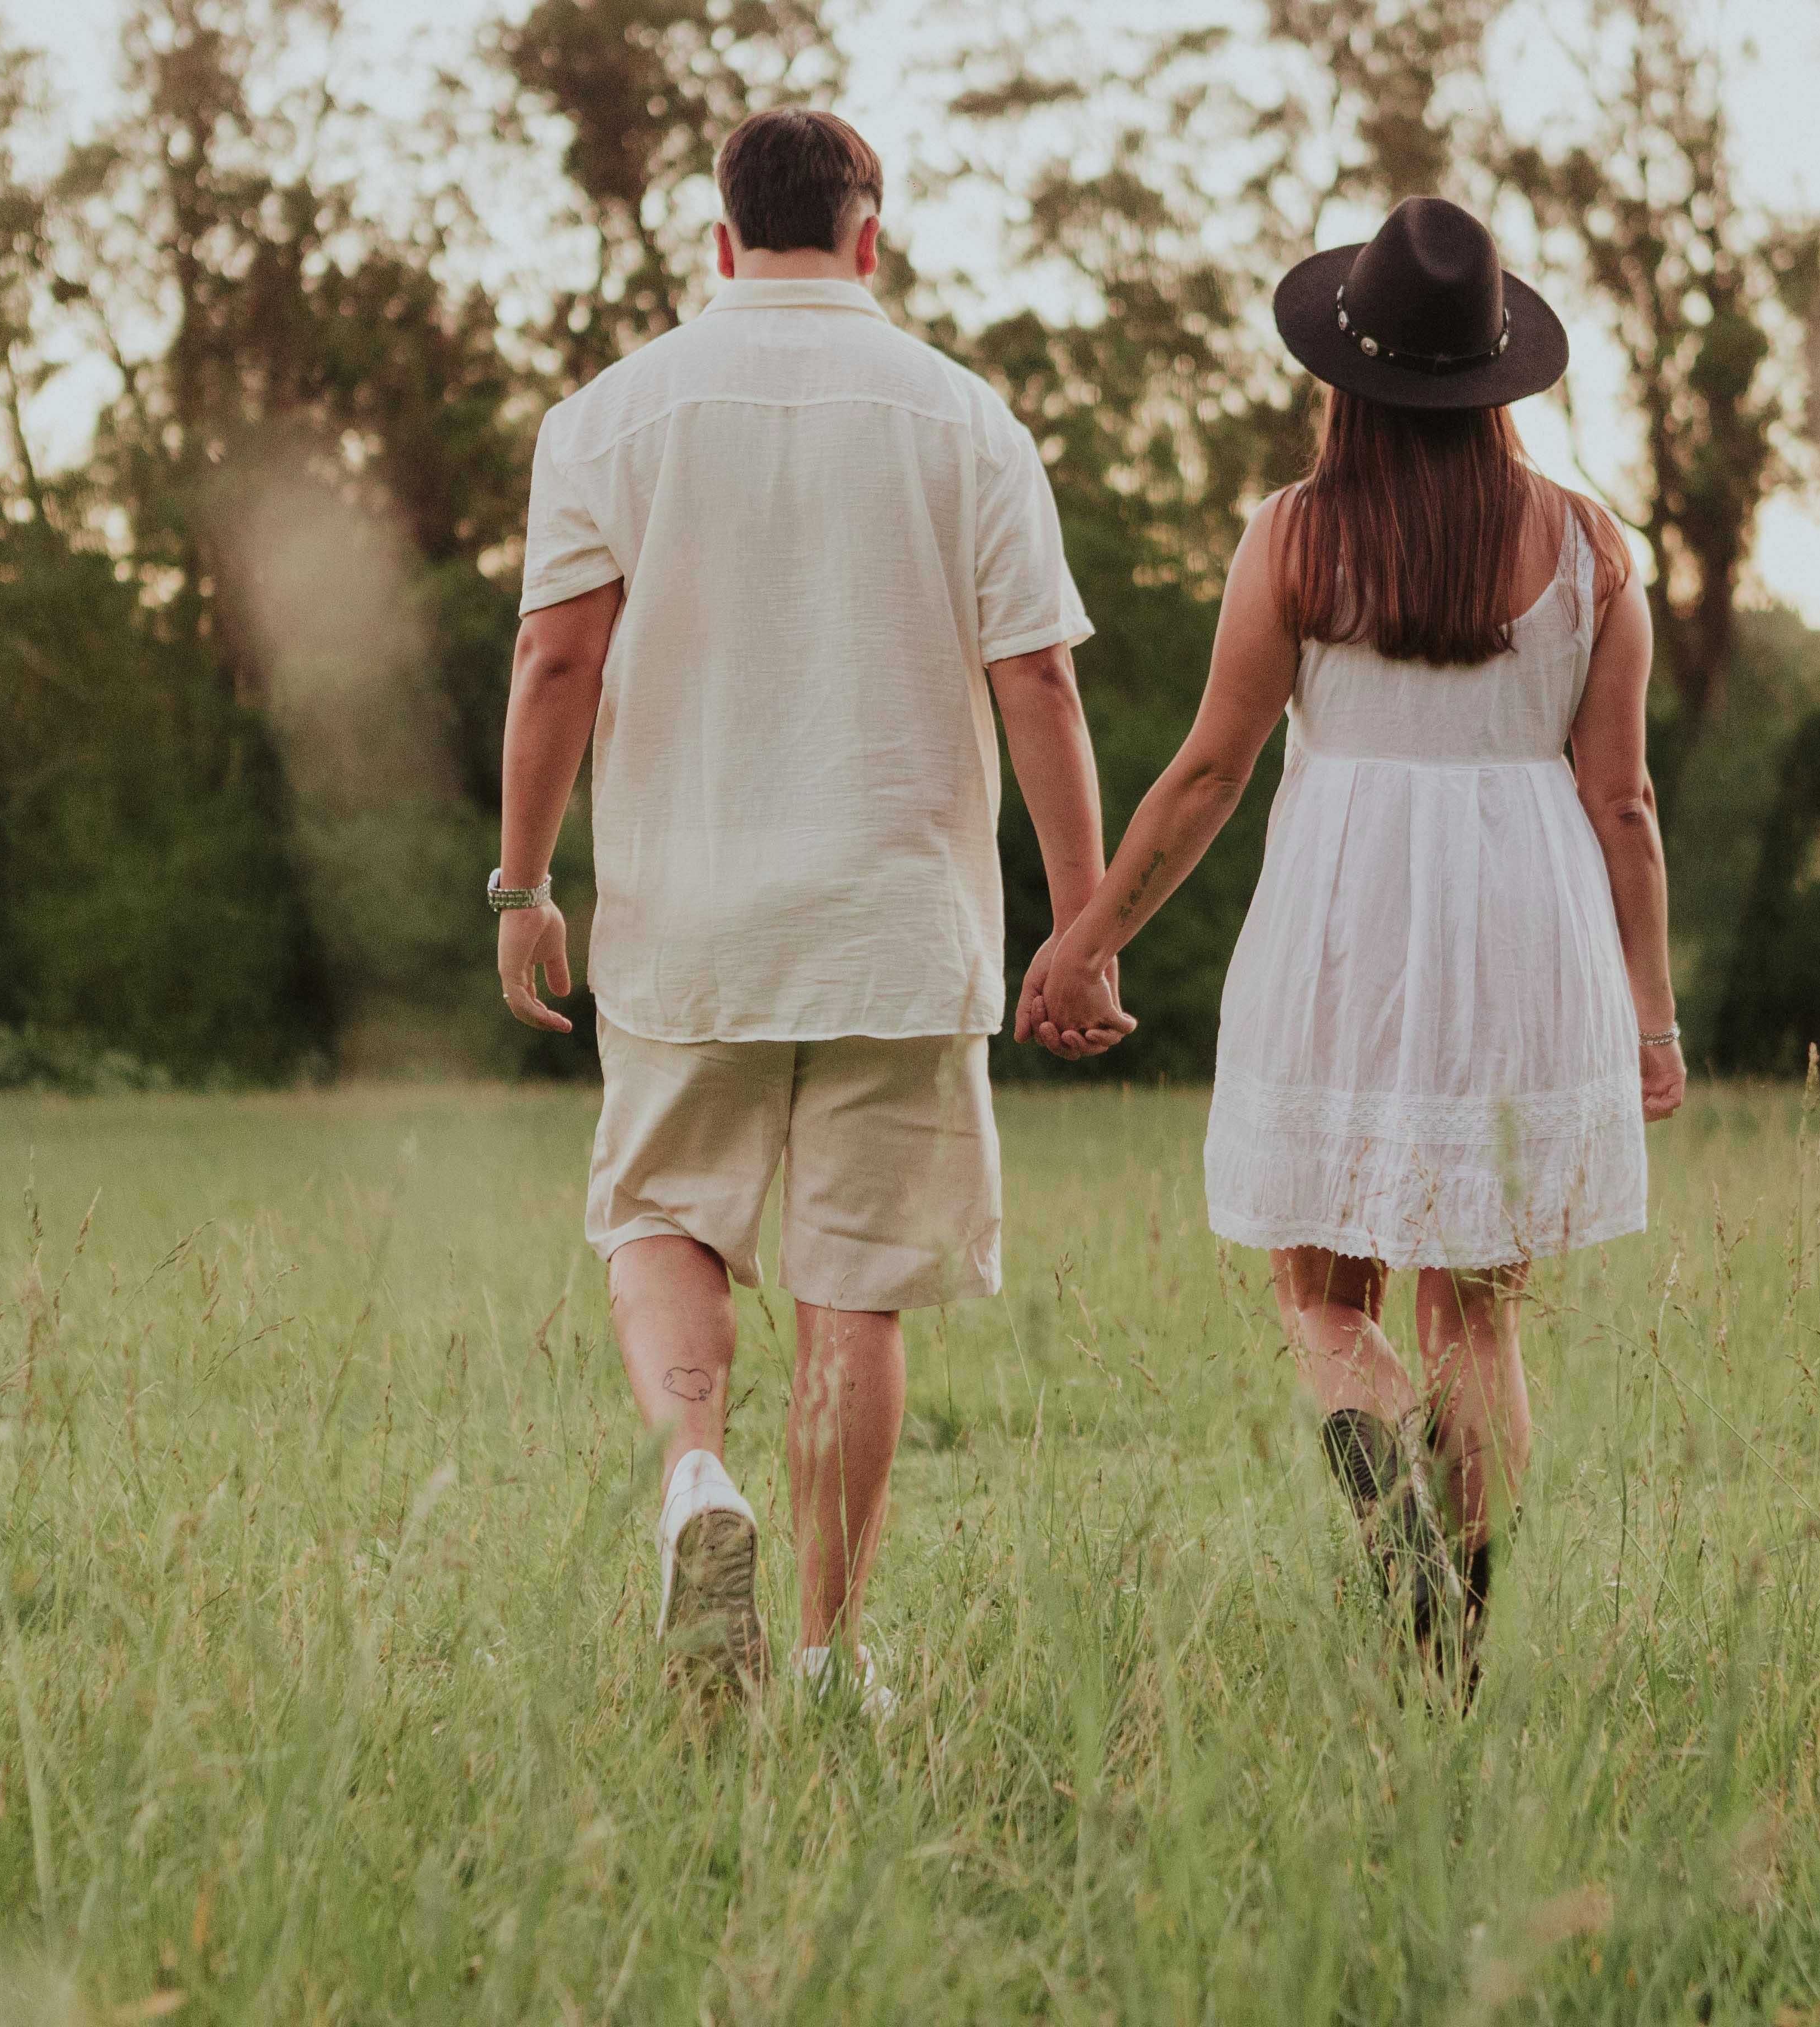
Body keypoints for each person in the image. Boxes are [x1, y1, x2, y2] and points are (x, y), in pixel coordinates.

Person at [1025, 197, 1686, 1695]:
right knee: (1480, 1314)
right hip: (1525, 930)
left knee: (1326, 1299)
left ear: (1349, 375)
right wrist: (1651, 1020)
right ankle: (1460, 1638)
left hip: (1346, 927)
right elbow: (1625, 804)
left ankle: (1377, 1459)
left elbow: (1211, 770)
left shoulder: (1298, 535)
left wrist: (1088, 940)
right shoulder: (1593, 550)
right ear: (1498, 373)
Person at [495, 108, 1113, 1708]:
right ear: (869, 236)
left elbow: (554, 661)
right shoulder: (966, 419)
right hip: (896, 930)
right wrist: (1082, 926)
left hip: (685, 924)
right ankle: (830, 1656)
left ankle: (697, 1474)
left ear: (720, 237)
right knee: (857, 1289)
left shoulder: (609, 418)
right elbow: (1040, 684)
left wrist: (523, 884)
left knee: (660, 1218)